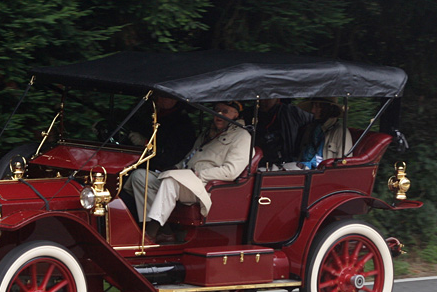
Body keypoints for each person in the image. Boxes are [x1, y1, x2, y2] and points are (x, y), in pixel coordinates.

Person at [129, 101, 252, 242]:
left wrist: (200, 175)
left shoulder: (242, 136)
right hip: (185, 178)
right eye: (216, 110)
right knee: (140, 176)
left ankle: (149, 235)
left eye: (225, 111)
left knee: (171, 181)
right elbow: (190, 156)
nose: (218, 114)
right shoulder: (208, 133)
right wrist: (176, 167)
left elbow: (230, 171)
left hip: (204, 186)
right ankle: (165, 231)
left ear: (236, 114)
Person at [126, 94, 195, 172]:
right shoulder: (149, 114)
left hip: (162, 170)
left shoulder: (182, 124)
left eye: (165, 96)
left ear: (175, 99)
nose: (159, 99)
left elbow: (170, 157)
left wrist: (146, 143)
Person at [253, 98, 313, 167]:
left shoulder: (291, 112)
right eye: (261, 98)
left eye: (267, 98)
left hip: (288, 161)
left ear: (277, 99)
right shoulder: (251, 114)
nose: (262, 101)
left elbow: (312, 121)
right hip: (261, 162)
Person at [296, 98, 353, 168]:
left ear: (329, 108)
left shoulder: (341, 133)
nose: (313, 111)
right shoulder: (311, 128)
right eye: (313, 106)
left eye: (317, 106)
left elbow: (344, 166)